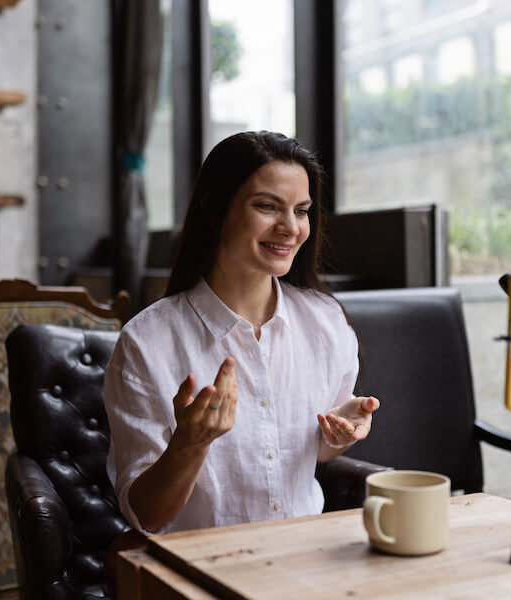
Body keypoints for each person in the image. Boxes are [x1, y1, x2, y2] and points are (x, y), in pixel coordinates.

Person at [103, 130, 380, 536]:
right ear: (215, 210)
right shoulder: (147, 343)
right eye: (267, 206)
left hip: (305, 556)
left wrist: (338, 433)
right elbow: (148, 516)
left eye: (301, 210)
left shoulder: (326, 322)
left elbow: (312, 454)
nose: (290, 227)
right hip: (201, 570)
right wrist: (190, 443)